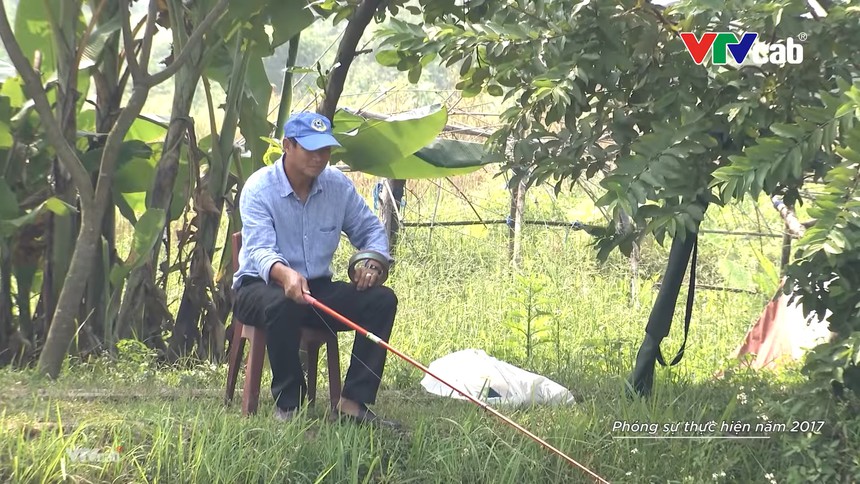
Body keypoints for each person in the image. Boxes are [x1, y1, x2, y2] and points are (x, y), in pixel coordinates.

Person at [232, 112, 399, 427]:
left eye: (325, 149)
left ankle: (352, 403)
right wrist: (285, 274)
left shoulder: (336, 185)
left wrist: (372, 262)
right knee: (282, 303)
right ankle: (289, 406)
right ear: (287, 146)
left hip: (315, 290)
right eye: (310, 149)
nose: (320, 157)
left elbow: (370, 231)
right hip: (259, 288)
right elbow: (259, 250)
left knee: (382, 300)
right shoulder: (259, 188)